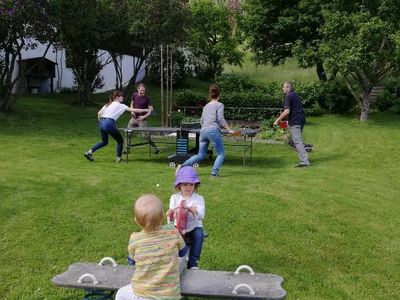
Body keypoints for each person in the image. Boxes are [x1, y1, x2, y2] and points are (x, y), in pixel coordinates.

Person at [115, 194, 188, 300]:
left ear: (136, 220)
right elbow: (183, 252)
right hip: (169, 295)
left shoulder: (135, 239)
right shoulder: (173, 231)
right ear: (162, 217)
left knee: (120, 294)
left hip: (142, 293)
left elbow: (131, 262)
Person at [181, 84, 234, 177]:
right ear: (219, 95)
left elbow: (201, 120)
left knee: (200, 155)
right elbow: (221, 118)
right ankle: (214, 174)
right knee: (221, 153)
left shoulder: (206, 106)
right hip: (212, 130)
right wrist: (229, 129)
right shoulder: (220, 105)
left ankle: (183, 166)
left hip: (203, 131)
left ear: (210, 95)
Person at [84, 90, 150, 163]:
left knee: (104, 142)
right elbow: (133, 109)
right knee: (120, 141)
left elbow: (99, 113)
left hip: (102, 123)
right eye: (122, 96)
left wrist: (101, 121)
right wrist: (145, 109)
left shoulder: (108, 104)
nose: (123, 98)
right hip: (109, 123)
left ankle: (89, 152)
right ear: (117, 97)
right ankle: (119, 159)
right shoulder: (121, 105)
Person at [167, 166, 205, 270]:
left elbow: (202, 215)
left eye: (191, 184)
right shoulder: (174, 198)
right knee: (172, 238)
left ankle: (193, 262)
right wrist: (170, 214)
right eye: (185, 184)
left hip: (194, 226)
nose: (188, 187)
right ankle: (177, 258)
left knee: (199, 235)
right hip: (178, 226)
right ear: (179, 185)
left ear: (195, 185)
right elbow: (172, 217)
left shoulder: (198, 198)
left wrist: (195, 211)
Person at [273, 81, 310, 167]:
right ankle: (306, 148)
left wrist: (277, 120)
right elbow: (294, 109)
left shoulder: (288, 96)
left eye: (284, 87)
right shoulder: (295, 95)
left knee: (297, 141)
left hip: (295, 121)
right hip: (301, 120)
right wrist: (285, 123)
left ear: (288, 88)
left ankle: (304, 162)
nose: (283, 89)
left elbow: (287, 111)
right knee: (293, 141)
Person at [127, 83, 160, 155]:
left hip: (142, 120)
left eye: (144, 90)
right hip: (133, 118)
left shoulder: (147, 98)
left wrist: (143, 117)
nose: (143, 92)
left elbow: (151, 110)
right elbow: (132, 103)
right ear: (138, 89)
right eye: (141, 90)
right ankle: (127, 149)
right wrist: (132, 111)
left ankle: (156, 148)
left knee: (145, 136)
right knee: (128, 133)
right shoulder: (134, 95)